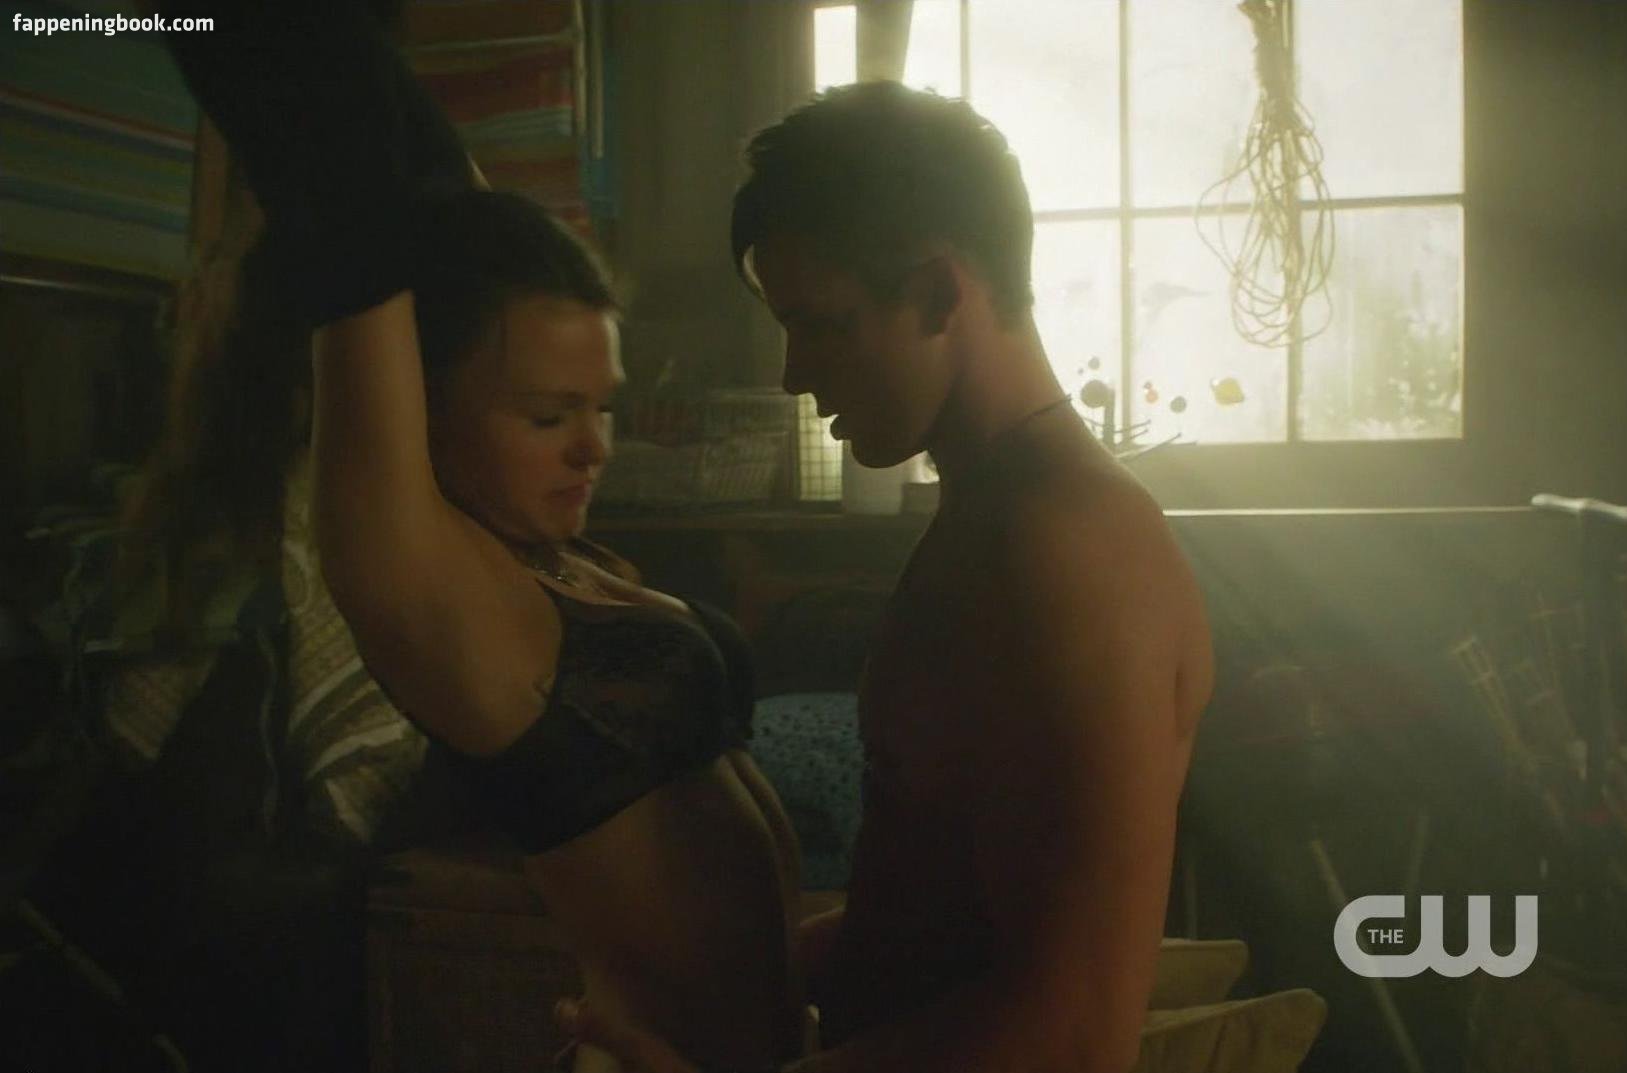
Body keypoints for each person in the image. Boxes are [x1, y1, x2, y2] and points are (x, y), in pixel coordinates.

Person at [159, 3, 807, 1070]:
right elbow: (346, 205)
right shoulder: (419, 575)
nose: (592, 448)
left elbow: (443, 205)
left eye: (601, 407)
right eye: (547, 416)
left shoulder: (549, 554)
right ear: (418, 407)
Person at [561, 80, 1215, 1073]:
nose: (794, 372)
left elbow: (1076, 1035)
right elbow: (929, 921)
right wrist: (701, 983)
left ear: (943, 294)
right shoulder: (996, 517)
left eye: (822, 323)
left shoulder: (1072, 550)